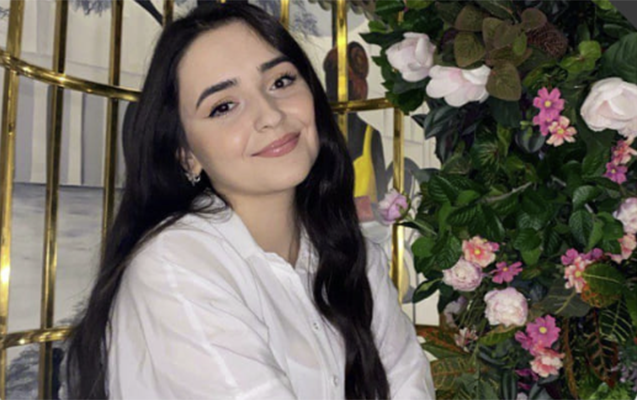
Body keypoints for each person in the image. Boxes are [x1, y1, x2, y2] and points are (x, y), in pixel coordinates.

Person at [65, 3, 435, 399]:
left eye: (280, 81)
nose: (270, 114)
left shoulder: (350, 251)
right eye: (223, 106)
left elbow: (408, 380)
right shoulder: (175, 266)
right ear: (185, 154)